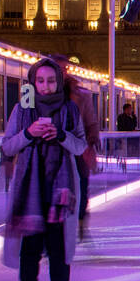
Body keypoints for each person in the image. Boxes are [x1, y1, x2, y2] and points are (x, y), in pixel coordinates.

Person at [5, 58, 88, 281]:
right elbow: (7, 147)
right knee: (29, 248)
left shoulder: (70, 109)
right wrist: (29, 133)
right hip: (30, 189)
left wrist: (61, 135)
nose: (45, 86)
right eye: (40, 80)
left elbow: (79, 146)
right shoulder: (21, 110)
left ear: (59, 82)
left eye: (51, 80)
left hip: (59, 191)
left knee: (58, 248)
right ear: (32, 82)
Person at [50, 55, 99, 240]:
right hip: (52, 151)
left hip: (78, 150)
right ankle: (55, 229)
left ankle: (79, 221)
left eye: (64, 69)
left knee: (81, 187)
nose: (61, 72)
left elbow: (91, 121)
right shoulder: (39, 94)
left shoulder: (80, 94)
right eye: (57, 68)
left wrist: (91, 142)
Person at [116, 102, 138, 172]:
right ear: (126, 109)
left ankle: (126, 162)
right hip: (123, 137)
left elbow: (134, 125)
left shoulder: (132, 117)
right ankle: (123, 163)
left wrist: (133, 117)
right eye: (129, 109)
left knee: (127, 150)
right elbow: (124, 127)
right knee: (124, 150)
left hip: (130, 138)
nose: (131, 110)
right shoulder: (121, 117)